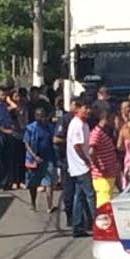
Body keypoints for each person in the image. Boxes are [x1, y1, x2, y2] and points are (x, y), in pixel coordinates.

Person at [66, 98, 95, 237]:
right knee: (90, 195)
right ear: (77, 109)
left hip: (80, 165)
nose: (87, 111)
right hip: (81, 166)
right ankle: (97, 224)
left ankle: (77, 226)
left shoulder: (84, 124)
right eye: (85, 108)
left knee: (80, 196)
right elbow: (77, 145)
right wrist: (85, 160)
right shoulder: (76, 125)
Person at [23, 106, 56, 212]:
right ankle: (33, 203)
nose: (42, 119)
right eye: (40, 117)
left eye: (44, 117)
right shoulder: (30, 128)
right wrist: (34, 156)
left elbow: (53, 139)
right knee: (33, 183)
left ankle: (49, 205)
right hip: (33, 159)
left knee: (49, 182)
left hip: (48, 157)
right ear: (36, 117)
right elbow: (26, 143)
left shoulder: (49, 127)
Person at [89, 103, 118, 208]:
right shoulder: (97, 133)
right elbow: (91, 151)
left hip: (109, 175)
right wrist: (99, 166)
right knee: (103, 204)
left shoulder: (104, 132)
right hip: (102, 176)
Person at [53, 97, 76, 226]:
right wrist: (71, 141)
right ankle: (70, 217)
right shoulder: (65, 119)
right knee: (69, 190)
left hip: (80, 162)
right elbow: (56, 139)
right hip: (66, 161)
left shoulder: (84, 120)